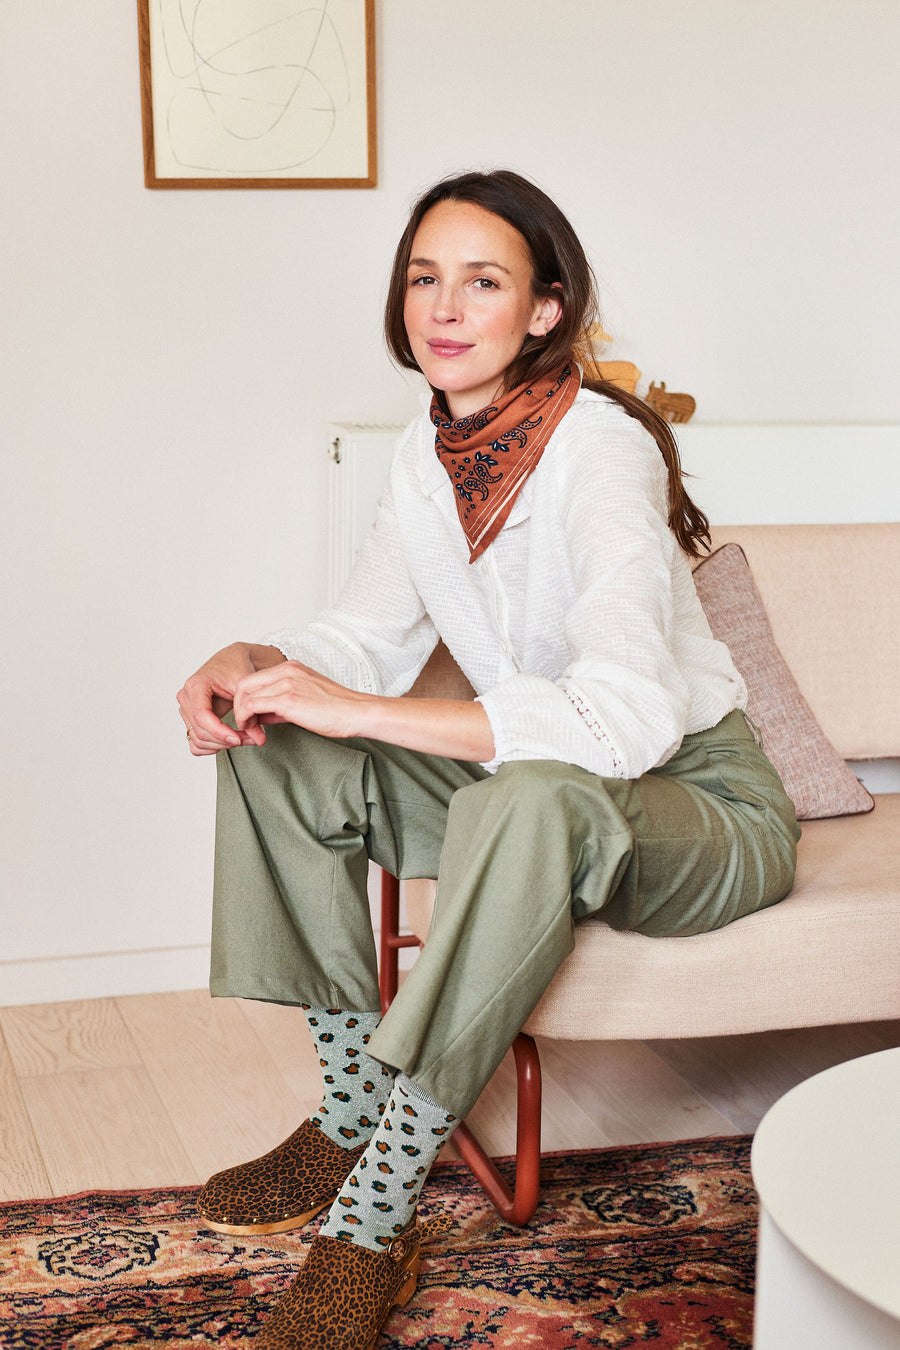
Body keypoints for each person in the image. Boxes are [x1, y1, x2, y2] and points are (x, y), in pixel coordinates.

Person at [177, 169, 799, 1350]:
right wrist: (254, 665)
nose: (445, 308)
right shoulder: (425, 458)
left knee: (527, 791)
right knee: (278, 747)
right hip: (537, 791)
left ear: (544, 309)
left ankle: (375, 1213)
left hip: (698, 806)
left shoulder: (602, 450)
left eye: (483, 282)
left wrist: (370, 712)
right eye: (426, 278)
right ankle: (350, 1110)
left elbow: (624, 719)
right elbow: (360, 638)